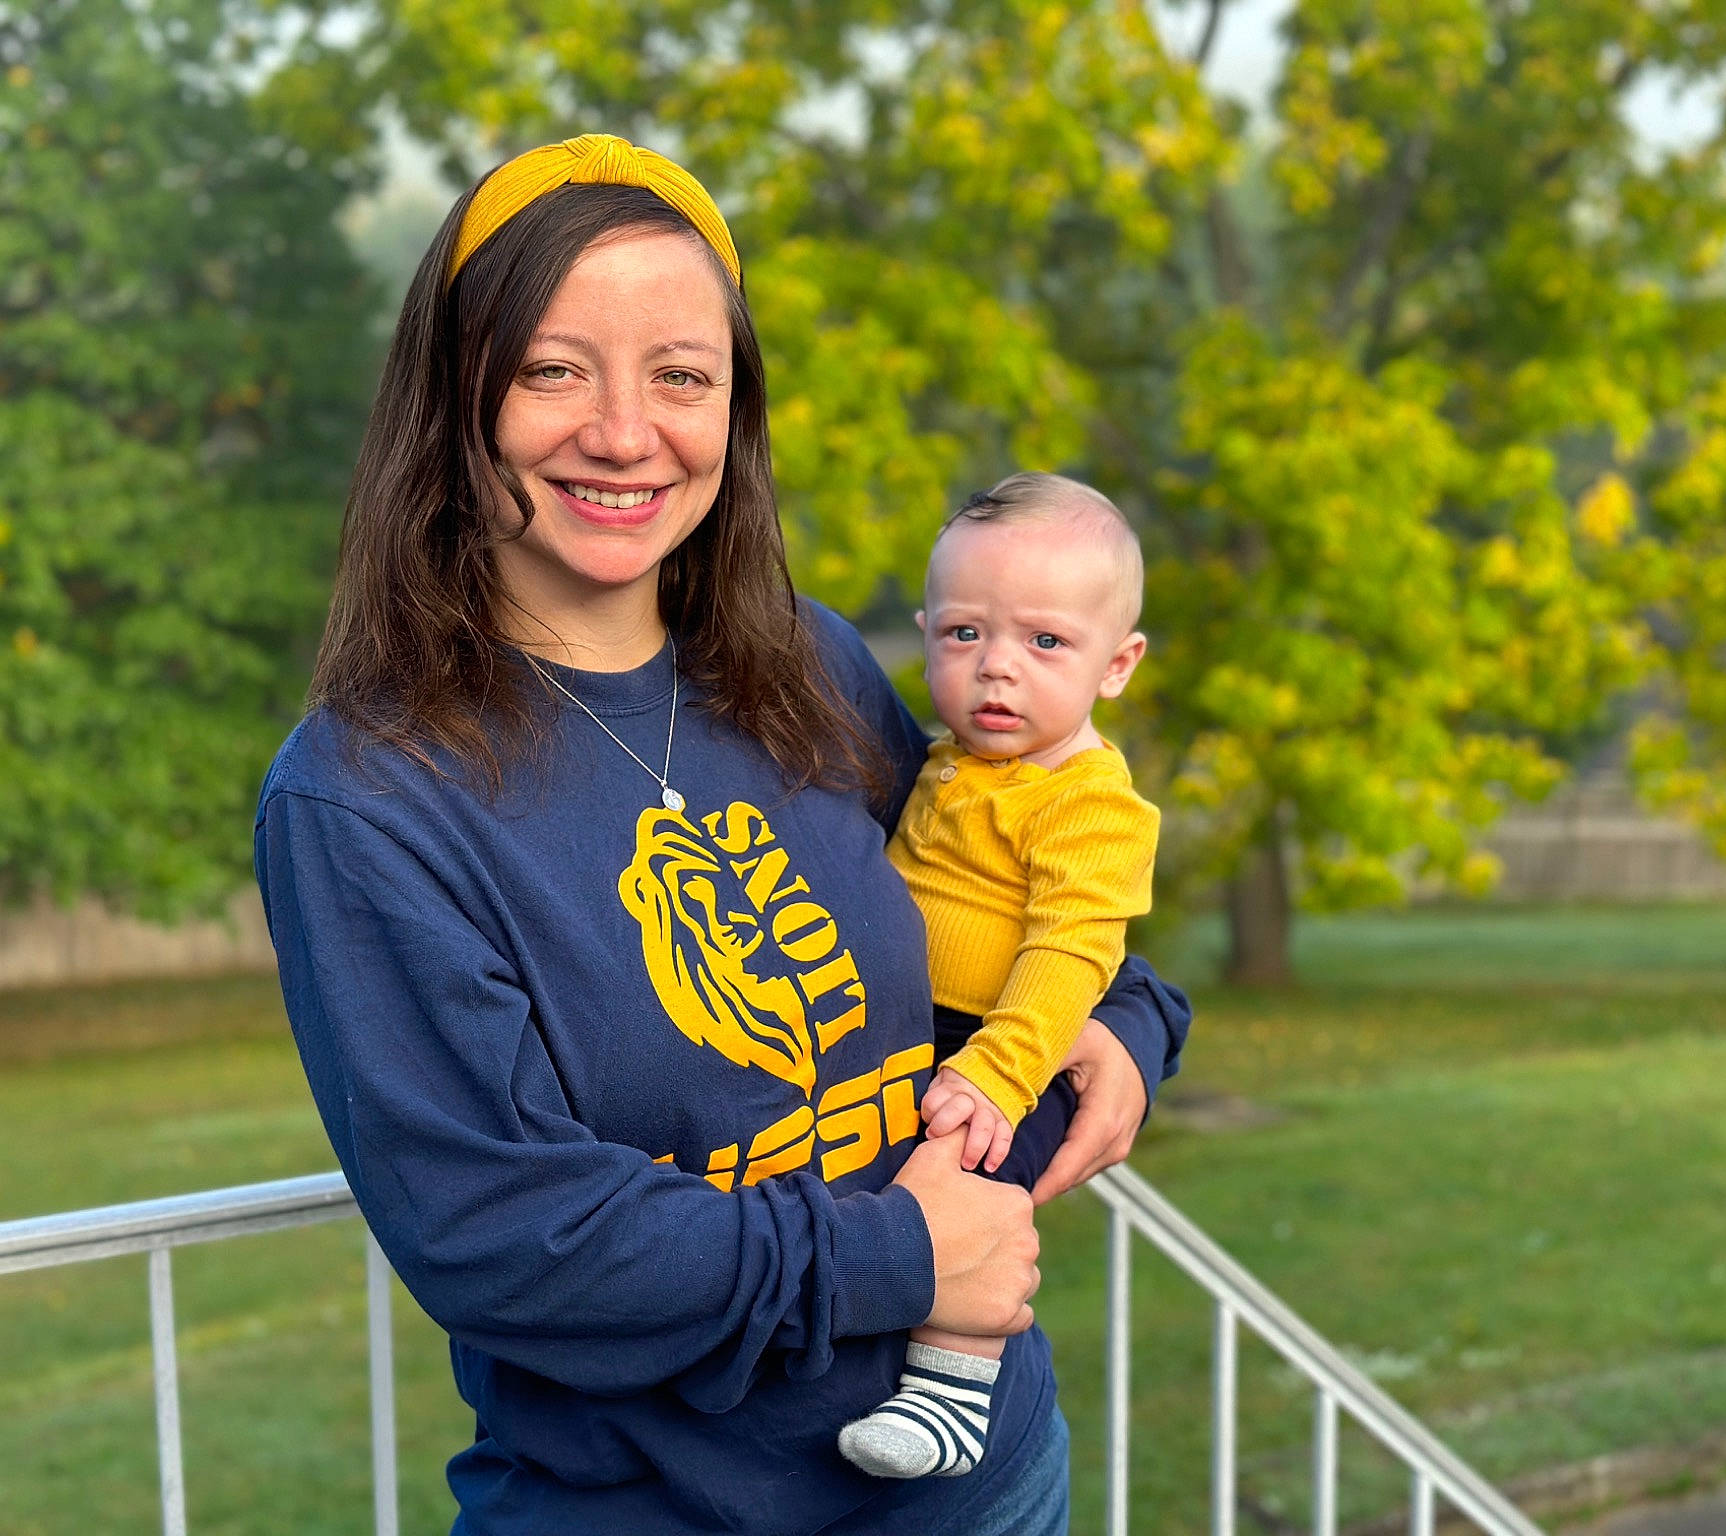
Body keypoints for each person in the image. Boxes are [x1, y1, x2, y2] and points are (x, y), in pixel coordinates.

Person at [253, 133, 1189, 1536]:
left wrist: (1128, 1017)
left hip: (987, 1487)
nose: (626, 433)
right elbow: (504, 1239)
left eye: (681, 374)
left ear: (734, 410)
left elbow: (997, 880)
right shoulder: (368, 796)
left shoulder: (800, 661)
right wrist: (901, 1259)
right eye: (553, 368)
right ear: (455, 396)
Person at [838, 474, 1158, 1482]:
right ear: (926, 631)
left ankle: (950, 1395)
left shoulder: (1088, 802)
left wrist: (997, 1075)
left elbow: (1072, 950)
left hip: (1003, 1054)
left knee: (969, 1198)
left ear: (1118, 665)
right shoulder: (948, 760)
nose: (996, 672)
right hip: (917, 1039)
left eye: (1044, 643)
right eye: (965, 636)